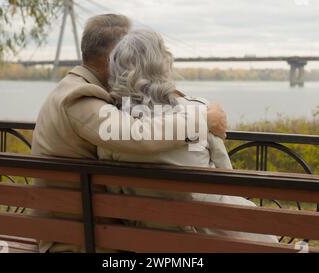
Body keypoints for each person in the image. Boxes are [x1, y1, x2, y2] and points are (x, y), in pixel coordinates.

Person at [31, 14, 229, 253]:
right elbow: (137, 135)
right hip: (77, 241)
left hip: (97, 230)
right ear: (114, 55)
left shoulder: (79, 88)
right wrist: (202, 119)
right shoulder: (80, 97)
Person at [98, 29, 278, 243]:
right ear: (163, 64)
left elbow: (113, 191)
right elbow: (228, 177)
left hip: (149, 237)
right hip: (213, 234)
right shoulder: (200, 112)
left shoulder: (113, 127)